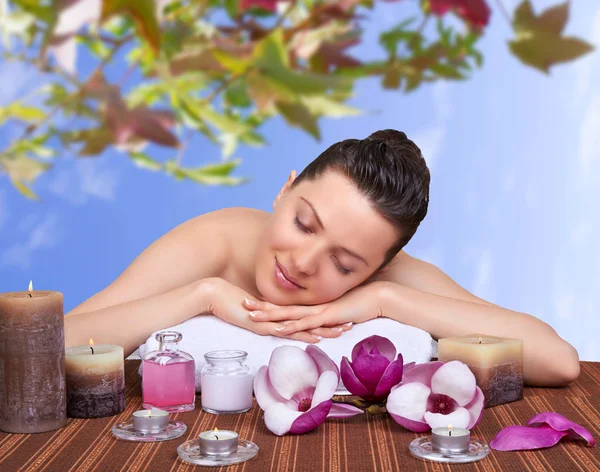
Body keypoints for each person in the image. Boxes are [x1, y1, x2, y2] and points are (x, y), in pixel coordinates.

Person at [64, 129, 580, 387]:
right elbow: (51, 341)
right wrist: (203, 294)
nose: (305, 262)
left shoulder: (387, 280)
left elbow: (557, 360)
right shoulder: (214, 242)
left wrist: (383, 298)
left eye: (346, 265)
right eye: (303, 223)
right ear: (285, 191)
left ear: (377, 266)